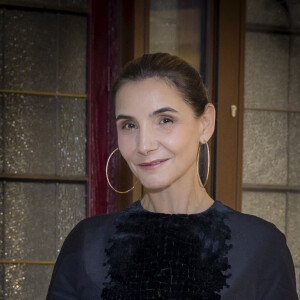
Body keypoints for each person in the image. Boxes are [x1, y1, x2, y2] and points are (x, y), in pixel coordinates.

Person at [47, 53, 298, 299]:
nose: (144, 145)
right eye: (129, 125)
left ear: (206, 123)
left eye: (165, 120)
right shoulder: (86, 243)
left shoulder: (261, 246)